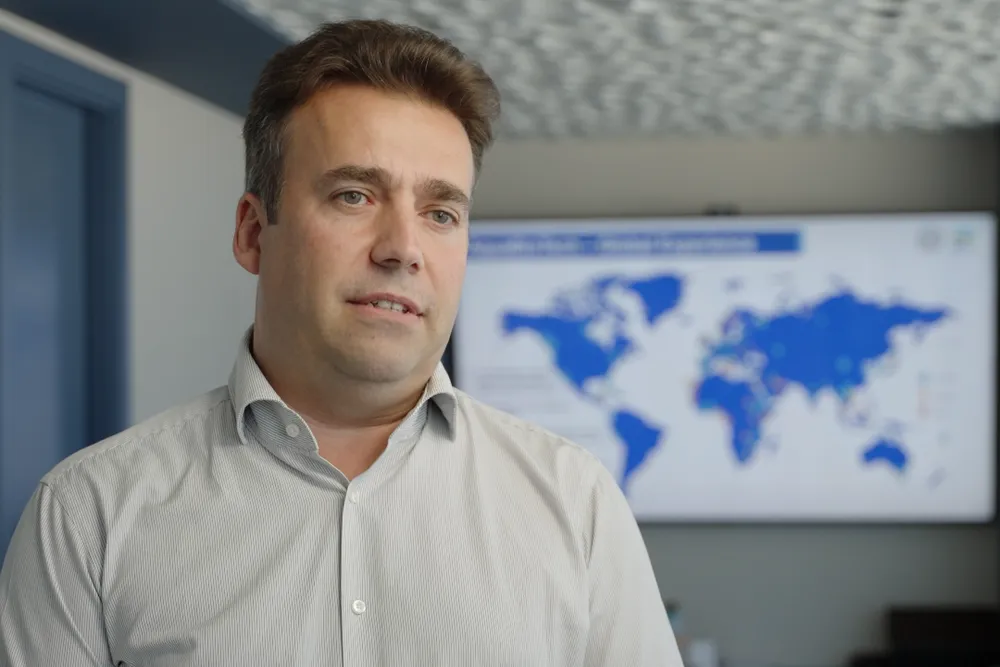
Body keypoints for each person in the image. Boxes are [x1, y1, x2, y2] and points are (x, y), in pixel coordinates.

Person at [0, 19, 683, 666]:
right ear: (252, 232)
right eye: (355, 195)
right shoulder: (88, 515)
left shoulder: (576, 504)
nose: (403, 248)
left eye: (441, 212)